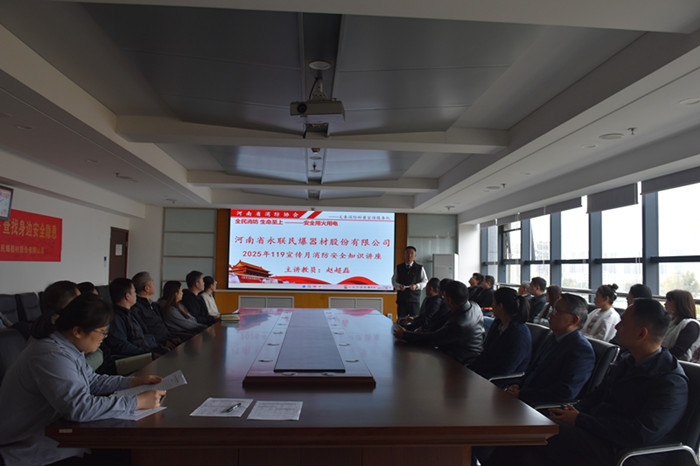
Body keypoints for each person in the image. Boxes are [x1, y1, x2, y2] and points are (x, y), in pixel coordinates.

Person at [486, 298, 689, 466]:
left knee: (531, 433)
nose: (617, 326)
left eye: (623, 323)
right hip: (597, 435)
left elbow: (640, 434)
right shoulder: (628, 363)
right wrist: (572, 412)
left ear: (641, 333)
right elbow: (595, 397)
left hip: (624, 453)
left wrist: (580, 420)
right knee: (528, 437)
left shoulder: (670, 381)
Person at [0, 294, 165, 466]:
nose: (104, 338)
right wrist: (137, 402)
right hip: (31, 450)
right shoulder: (51, 355)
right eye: (102, 332)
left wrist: (132, 382)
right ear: (77, 331)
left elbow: (92, 381)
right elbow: (79, 408)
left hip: (59, 439)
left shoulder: (68, 347)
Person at [506, 293, 595, 405]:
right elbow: (534, 372)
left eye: (557, 312)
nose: (550, 315)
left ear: (574, 320)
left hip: (541, 407)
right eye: (553, 310)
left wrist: (522, 394)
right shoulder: (552, 338)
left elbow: (566, 392)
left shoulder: (581, 349)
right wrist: (518, 385)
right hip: (524, 398)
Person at [393, 280, 483, 365]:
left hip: (462, 364)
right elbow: (437, 325)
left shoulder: (458, 324)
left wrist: (405, 335)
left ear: (449, 300)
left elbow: (433, 339)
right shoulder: (474, 306)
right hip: (472, 357)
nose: (442, 299)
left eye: (444, 297)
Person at [469, 287, 531, 379]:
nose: (492, 305)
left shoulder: (519, 333)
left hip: (500, 380)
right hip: (485, 372)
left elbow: (506, 369)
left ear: (500, 306)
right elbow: (485, 352)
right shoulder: (498, 323)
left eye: (494, 302)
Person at [104, 278, 163, 361]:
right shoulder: (115, 317)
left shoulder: (131, 313)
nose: (136, 295)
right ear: (127, 296)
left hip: (148, 350)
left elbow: (142, 336)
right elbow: (121, 346)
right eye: (134, 292)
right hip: (137, 357)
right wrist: (148, 354)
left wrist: (160, 346)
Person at [131, 271, 180, 350]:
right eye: (152, 282)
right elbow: (145, 331)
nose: (154, 285)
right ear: (147, 288)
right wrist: (164, 343)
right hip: (157, 345)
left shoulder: (153, 305)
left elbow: (161, 326)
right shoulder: (137, 308)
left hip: (167, 339)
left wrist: (171, 338)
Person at [391, 246, 428, 319]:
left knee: (414, 320)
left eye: (411, 253)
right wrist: (399, 286)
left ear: (415, 255)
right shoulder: (399, 267)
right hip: (402, 300)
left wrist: (417, 286)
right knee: (401, 320)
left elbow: (425, 281)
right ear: (404, 255)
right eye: (407, 253)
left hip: (414, 300)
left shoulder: (420, 268)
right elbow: (393, 280)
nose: (409, 255)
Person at [662, 289, 700, 361]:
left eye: (669, 301)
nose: (665, 304)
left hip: (682, 364)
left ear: (679, 304)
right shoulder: (670, 322)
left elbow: (678, 351)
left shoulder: (691, 325)